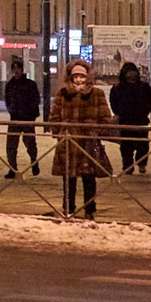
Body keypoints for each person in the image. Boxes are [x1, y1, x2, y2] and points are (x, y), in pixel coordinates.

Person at [48, 61, 115, 218]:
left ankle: (90, 209)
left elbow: (105, 118)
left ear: (88, 77)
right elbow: (54, 117)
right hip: (68, 143)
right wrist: (60, 131)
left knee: (89, 179)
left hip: (88, 143)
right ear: (70, 78)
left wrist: (95, 131)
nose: (79, 80)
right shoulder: (63, 93)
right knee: (68, 179)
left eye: (82, 76)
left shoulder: (96, 94)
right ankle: (68, 208)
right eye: (75, 76)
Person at [108, 62, 151, 175]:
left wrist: (144, 112)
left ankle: (139, 164)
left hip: (139, 120)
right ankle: (129, 165)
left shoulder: (143, 87)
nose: (131, 79)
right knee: (127, 145)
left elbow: (150, 101)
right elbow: (114, 103)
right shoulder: (118, 88)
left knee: (140, 144)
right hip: (128, 120)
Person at [1, 58, 41, 178]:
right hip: (15, 118)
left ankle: (34, 162)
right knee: (11, 145)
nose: (16, 72)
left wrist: (30, 112)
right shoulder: (10, 85)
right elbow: (7, 100)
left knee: (30, 143)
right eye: (14, 69)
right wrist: (11, 110)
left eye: (18, 69)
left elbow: (36, 99)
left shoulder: (30, 84)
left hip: (28, 118)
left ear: (22, 70)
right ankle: (12, 168)